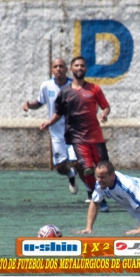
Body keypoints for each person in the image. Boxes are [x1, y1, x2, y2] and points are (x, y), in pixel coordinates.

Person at [40, 56, 110, 212]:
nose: (79, 68)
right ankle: (97, 198)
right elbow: (58, 113)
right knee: (86, 168)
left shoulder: (95, 89)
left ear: (85, 69)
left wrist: (104, 114)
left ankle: (117, 194)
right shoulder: (65, 92)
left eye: (82, 65)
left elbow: (105, 106)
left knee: (104, 169)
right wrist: (49, 123)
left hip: (95, 136)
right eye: (76, 65)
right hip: (77, 137)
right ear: (72, 69)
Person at [23, 57, 86, 195]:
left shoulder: (74, 85)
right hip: (56, 133)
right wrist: (29, 105)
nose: (58, 69)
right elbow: (40, 102)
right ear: (52, 70)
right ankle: (70, 174)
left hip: (73, 132)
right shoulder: (46, 86)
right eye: (55, 66)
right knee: (60, 167)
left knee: (77, 162)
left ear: (66, 69)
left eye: (61, 66)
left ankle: (90, 190)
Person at [78, 160, 140, 235]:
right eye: (98, 177)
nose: (99, 180)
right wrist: (88, 227)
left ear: (112, 176)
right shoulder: (100, 183)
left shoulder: (127, 186)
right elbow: (95, 202)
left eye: (102, 177)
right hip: (138, 201)